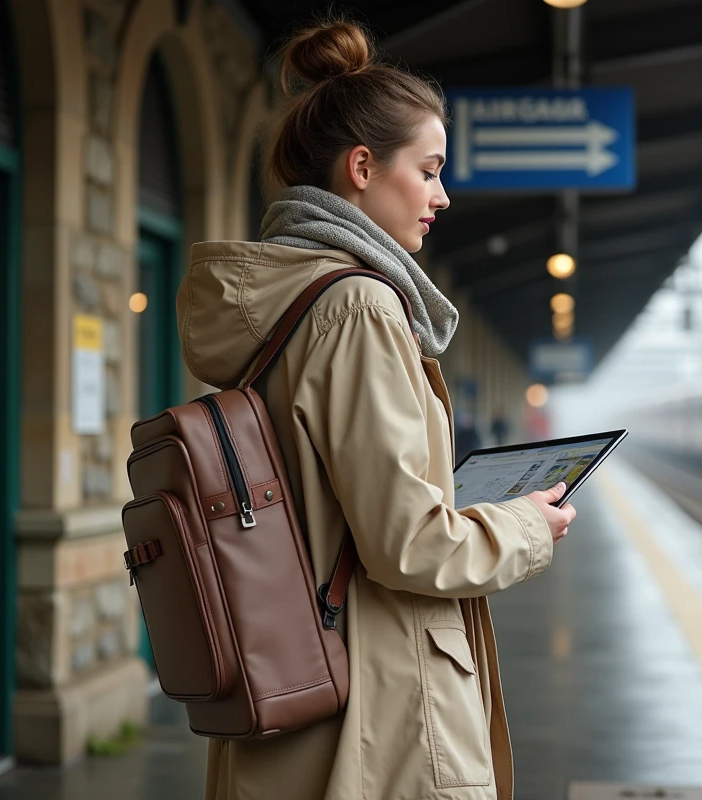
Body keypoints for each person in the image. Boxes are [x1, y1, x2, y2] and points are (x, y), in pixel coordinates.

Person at [178, 18, 576, 800]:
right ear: (362, 167)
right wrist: (529, 523)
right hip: (379, 714)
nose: (443, 195)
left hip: (301, 691)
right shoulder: (358, 308)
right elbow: (409, 546)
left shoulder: (294, 301)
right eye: (428, 171)